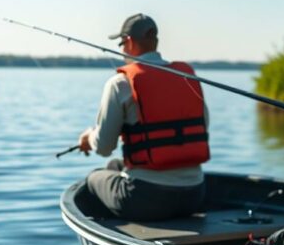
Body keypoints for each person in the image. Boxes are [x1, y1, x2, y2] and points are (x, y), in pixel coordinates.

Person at [77, 13, 210, 221]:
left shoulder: (119, 83)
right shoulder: (187, 78)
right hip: (194, 195)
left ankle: (117, 235)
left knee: (94, 178)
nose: (122, 50)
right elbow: (203, 126)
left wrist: (88, 138)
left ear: (129, 42)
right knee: (114, 166)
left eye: (122, 43)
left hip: (145, 199)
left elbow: (103, 147)